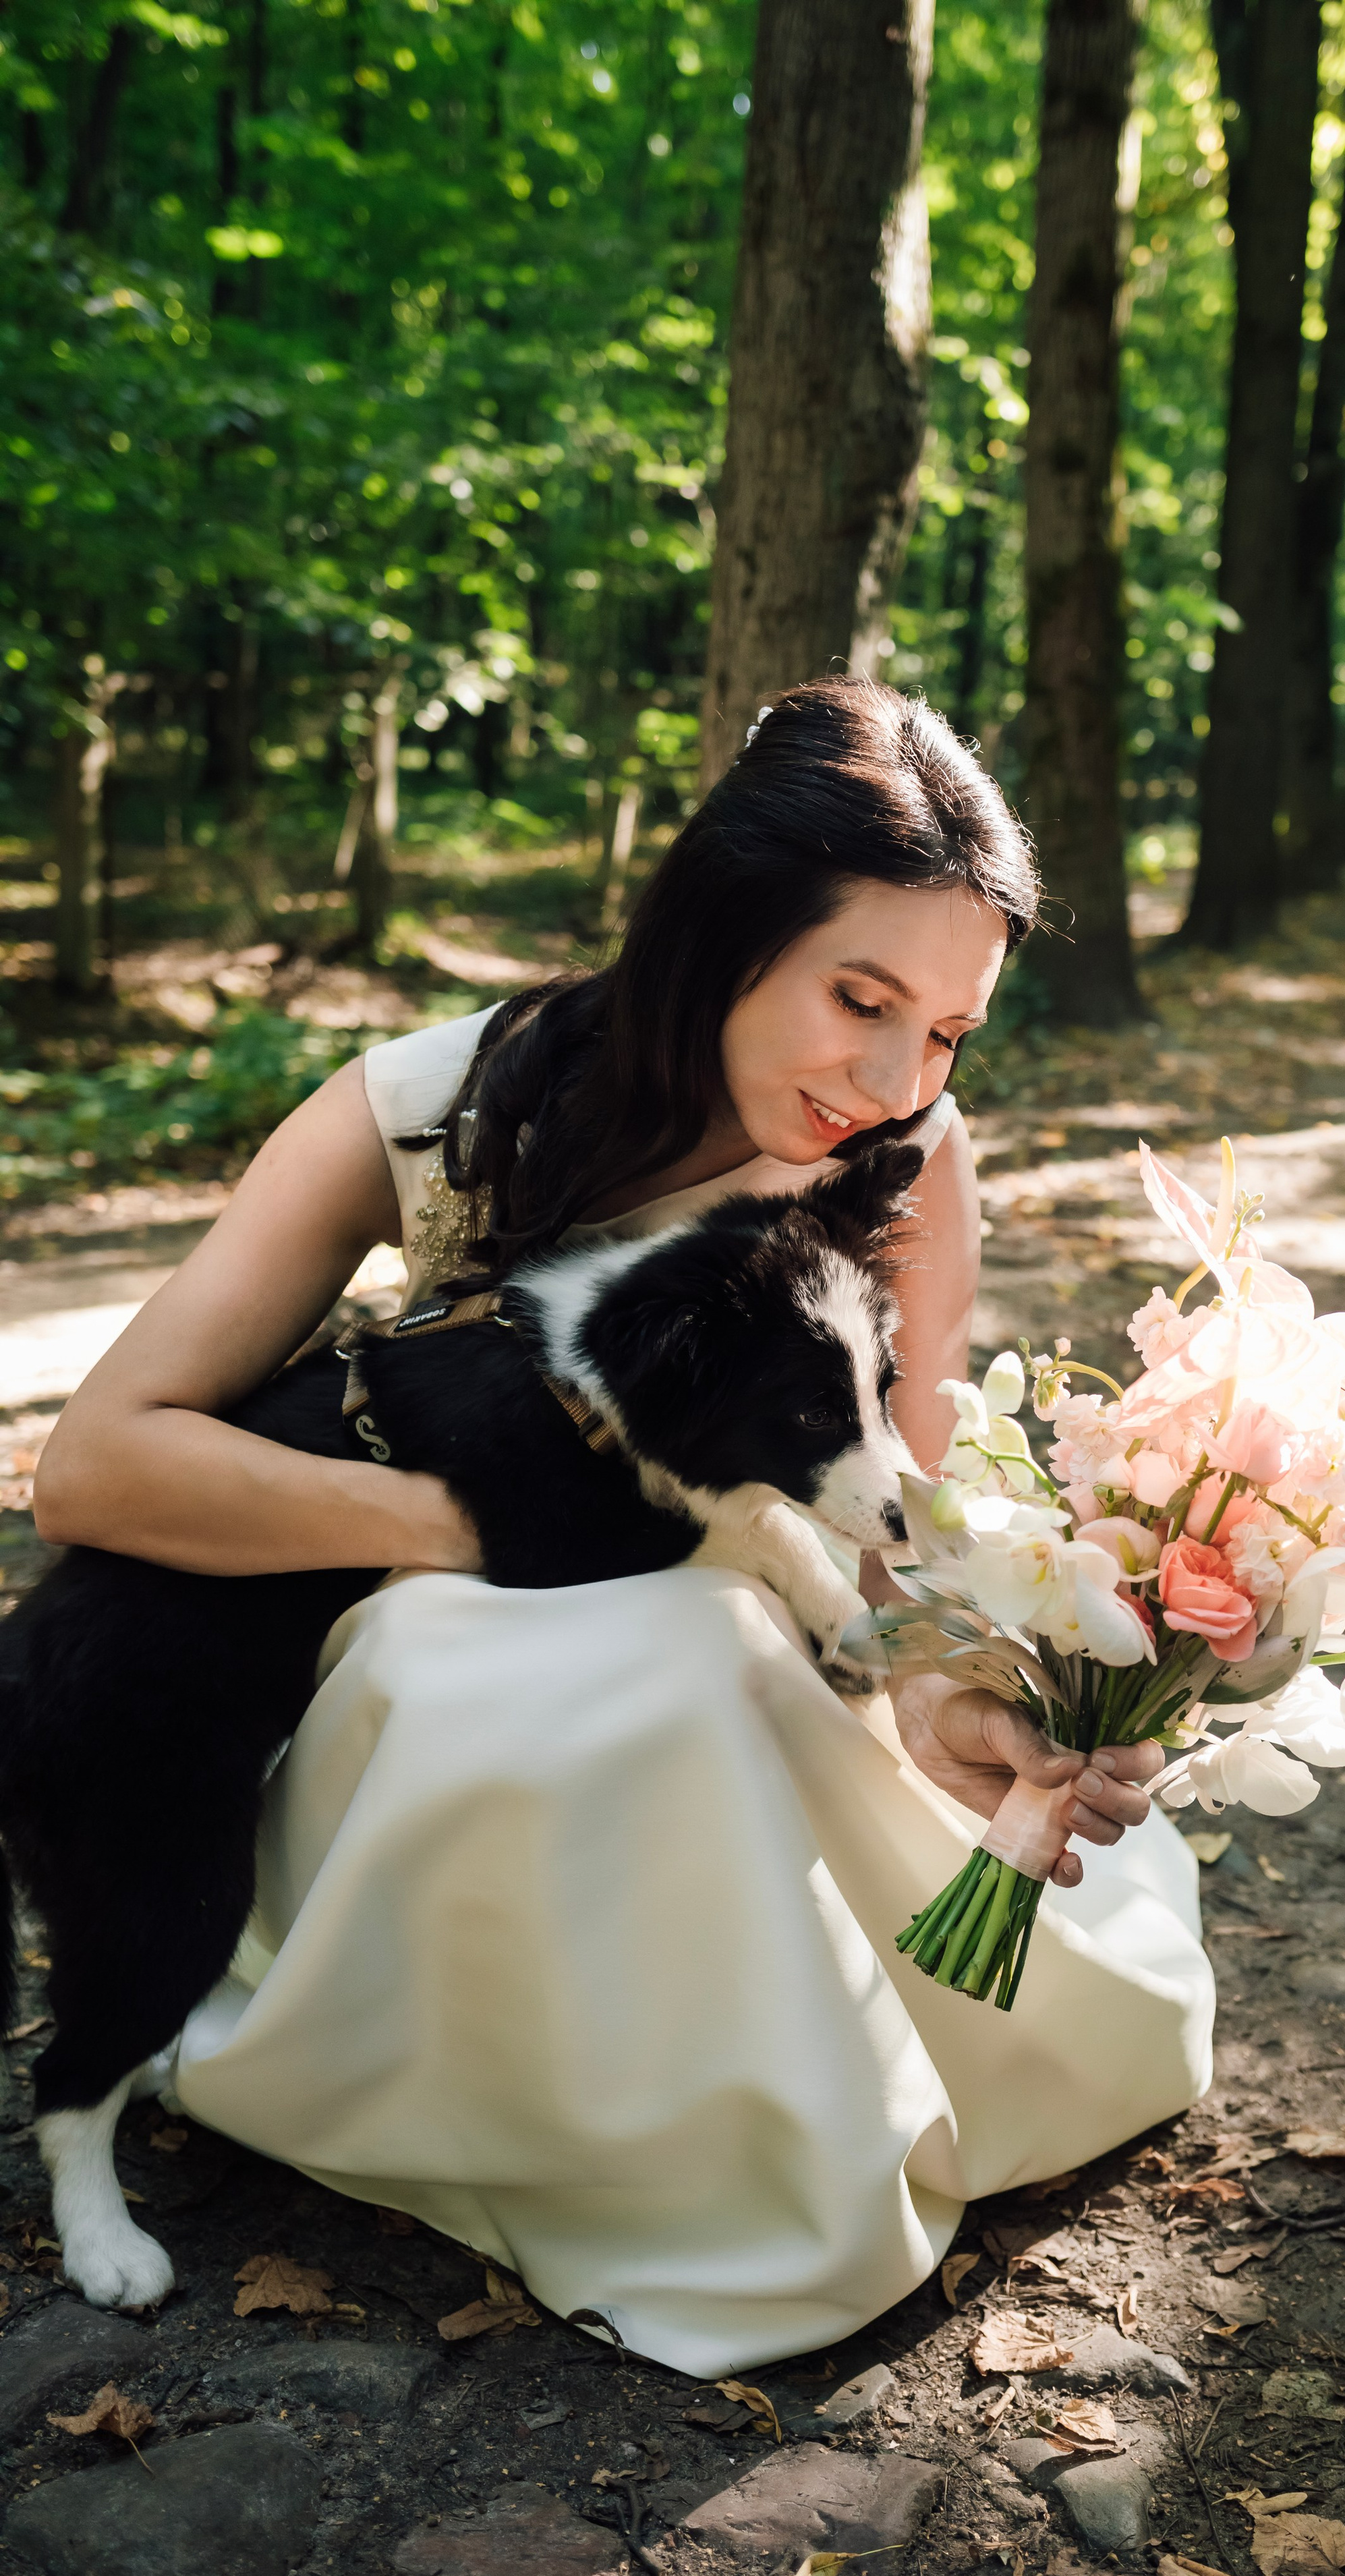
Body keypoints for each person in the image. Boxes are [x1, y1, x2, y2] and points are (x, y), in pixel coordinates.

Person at [35, 679, 1211, 2377]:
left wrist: (943, 1689)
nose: (895, 1079)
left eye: (946, 1033)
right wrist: (495, 1528)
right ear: (718, 933)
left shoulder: (906, 1162)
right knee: (643, 1634)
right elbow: (94, 1469)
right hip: (436, 1696)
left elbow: (894, 1513)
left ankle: (746, 2138)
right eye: (858, 996)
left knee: (716, 1634)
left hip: (741, 1707)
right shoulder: (434, 1104)